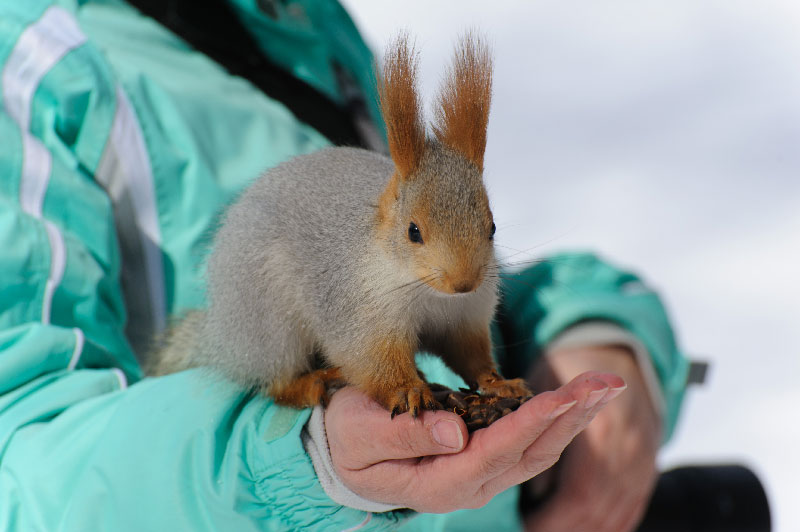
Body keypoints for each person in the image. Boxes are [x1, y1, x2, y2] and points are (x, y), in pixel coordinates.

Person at [0, 1, 688, 530]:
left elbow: (442, 278)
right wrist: (300, 461)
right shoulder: (33, 60)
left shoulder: (311, 27)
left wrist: (592, 331)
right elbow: (22, 475)